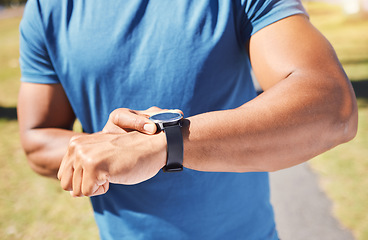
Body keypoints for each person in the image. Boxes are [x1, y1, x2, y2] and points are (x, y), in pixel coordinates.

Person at [17, 0, 358, 239]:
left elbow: (332, 106)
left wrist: (166, 143)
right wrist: (99, 147)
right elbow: (36, 139)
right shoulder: (48, 8)